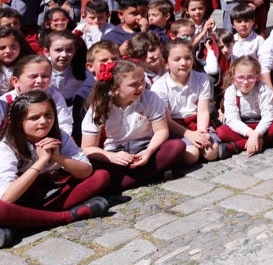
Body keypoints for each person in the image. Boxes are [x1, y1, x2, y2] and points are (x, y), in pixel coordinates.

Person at [0, 91, 110, 247]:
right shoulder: (6, 145)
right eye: (34, 118)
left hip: (48, 196)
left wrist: (58, 158)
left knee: (101, 176)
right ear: (19, 121)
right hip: (19, 200)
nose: (43, 121)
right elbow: (6, 198)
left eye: (48, 115)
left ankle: (21, 223)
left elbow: (86, 171)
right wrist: (41, 161)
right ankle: (69, 216)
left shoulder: (59, 135)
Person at [80, 59, 187, 191]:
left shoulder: (150, 98)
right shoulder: (99, 107)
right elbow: (87, 147)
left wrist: (148, 151)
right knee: (96, 169)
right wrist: (112, 157)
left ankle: (123, 182)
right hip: (115, 153)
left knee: (177, 146)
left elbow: (161, 131)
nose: (141, 87)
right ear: (114, 89)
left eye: (142, 81)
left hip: (145, 147)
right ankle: (149, 174)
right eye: (134, 84)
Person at [151, 39, 219, 164]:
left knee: (212, 152)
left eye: (188, 58)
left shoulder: (201, 78)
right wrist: (190, 135)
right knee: (191, 155)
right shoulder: (159, 87)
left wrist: (201, 133)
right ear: (166, 63)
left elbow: (203, 110)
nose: (183, 63)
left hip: (196, 123)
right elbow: (167, 120)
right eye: (177, 59)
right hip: (176, 127)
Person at [215, 55, 273, 158]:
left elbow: (268, 116)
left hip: (262, 124)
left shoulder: (263, 89)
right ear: (233, 76)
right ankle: (269, 140)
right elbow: (232, 119)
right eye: (241, 77)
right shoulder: (231, 91)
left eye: (250, 77)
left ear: (257, 76)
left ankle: (236, 146)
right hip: (243, 126)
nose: (245, 82)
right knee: (221, 132)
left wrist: (256, 134)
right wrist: (251, 134)